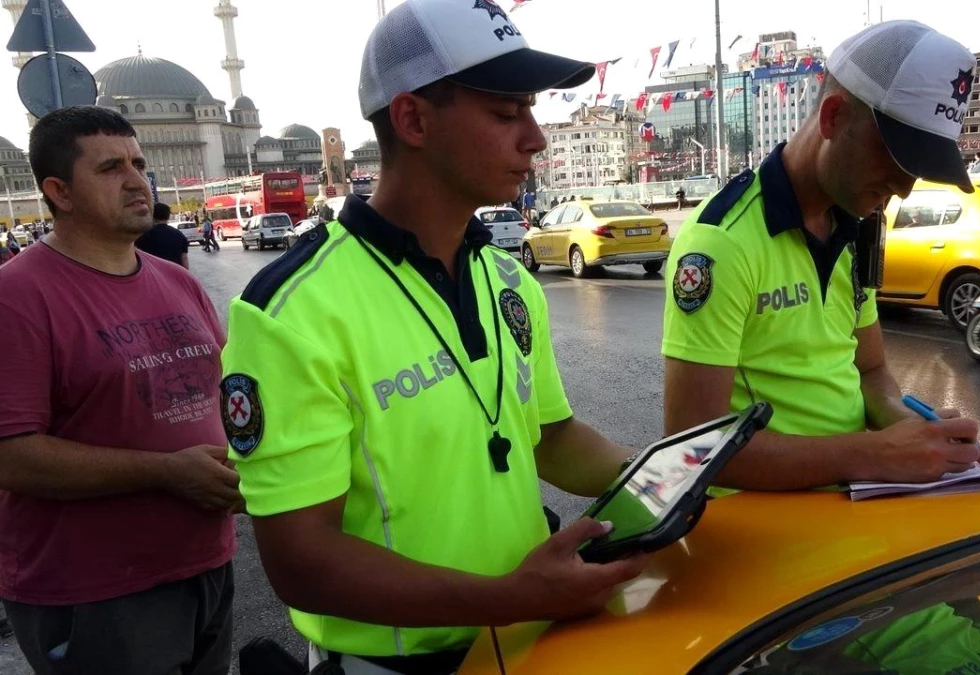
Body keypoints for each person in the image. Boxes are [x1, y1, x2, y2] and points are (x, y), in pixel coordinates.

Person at [219, 1, 648, 673]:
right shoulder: (288, 311)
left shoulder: (507, 277)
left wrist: (665, 477)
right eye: (507, 114)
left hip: (528, 639)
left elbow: (549, 437)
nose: (535, 138)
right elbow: (303, 561)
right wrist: (507, 597)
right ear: (413, 119)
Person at [661, 20, 980, 492]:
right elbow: (691, 448)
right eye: (896, 160)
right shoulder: (720, 243)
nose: (903, 189)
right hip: (762, 529)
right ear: (833, 117)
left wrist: (910, 429)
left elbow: (870, 371)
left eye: (918, 171)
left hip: (852, 505)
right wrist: (873, 454)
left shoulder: (856, 226)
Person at [0, 106, 238, 674]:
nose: (137, 180)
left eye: (139, 162)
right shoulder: (17, 297)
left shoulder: (177, 281)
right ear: (58, 191)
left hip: (208, 563)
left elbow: (231, 387)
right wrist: (166, 472)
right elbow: (11, 456)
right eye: (110, 168)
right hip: (96, 591)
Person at [135, 201, 191, 268]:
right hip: (175, 273)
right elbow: (184, 258)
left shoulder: (143, 235)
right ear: (168, 216)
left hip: (152, 274)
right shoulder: (179, 235)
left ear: (152, 215)